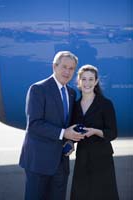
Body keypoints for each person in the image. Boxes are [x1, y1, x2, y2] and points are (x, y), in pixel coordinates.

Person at [19, 51, 85, 200]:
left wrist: (71, 140)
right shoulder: (38, 89)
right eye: (64, 67)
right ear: (54, 67)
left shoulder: (71, 93)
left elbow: (68, 124)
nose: (67, 72)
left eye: (71, 68)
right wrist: (64, 133)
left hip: (61, 163)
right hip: (39, 162)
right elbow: (34, 124)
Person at [70, 64, 119, 200]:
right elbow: (72, 132)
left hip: (102, 158)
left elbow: (112, 133)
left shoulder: (105, 104)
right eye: (84, 79)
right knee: (81, 194)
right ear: (79, 81)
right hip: (82, 157)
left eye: (91, 79)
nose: (87, 83)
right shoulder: (75, 106)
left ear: (96, 81)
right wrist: (70, 142)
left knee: (102, 195)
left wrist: (95, 131)